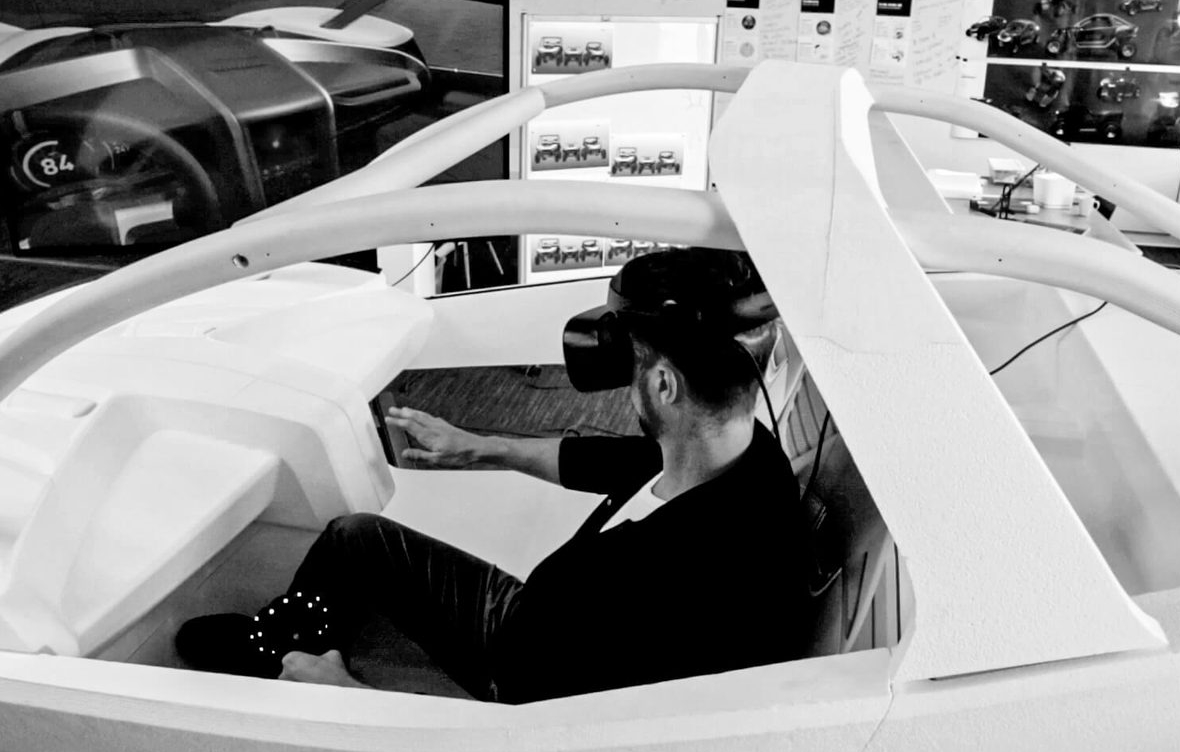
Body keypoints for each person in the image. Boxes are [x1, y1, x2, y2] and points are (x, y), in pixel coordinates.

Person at [176, 247, 813, 703]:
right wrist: (480, 448)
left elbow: (559, 741)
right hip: (540, 621)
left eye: (636, 368)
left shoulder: (693, 578)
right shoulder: (738, 453)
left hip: (517, 674)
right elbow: (600, 460)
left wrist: (349, 698)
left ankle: (292, 670)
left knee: (353, 553)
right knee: (355, 539)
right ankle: (280, 642)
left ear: (666, 384)